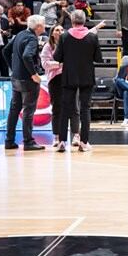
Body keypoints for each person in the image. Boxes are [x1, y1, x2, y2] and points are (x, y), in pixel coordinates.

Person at [54, 10, 101, 152]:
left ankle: (62, 141)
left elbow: (57, 57)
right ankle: (84, 142)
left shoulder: (64, 36)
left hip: (69, 76)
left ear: (72, 21)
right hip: (87, 76)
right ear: (84, 20)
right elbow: (98, 58)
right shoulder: (92, 37)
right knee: (85, 109)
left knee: (65, 109)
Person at [5, 14, 45, 150]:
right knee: (28, 110)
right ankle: (28, 141)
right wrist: (33, 74)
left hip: (16, 78)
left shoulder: (20, 34)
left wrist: (14, 68)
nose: (44, 27)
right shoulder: (32, 38)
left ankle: (9, 140)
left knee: (14, 110)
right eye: (43, 25)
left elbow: (5, 51)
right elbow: (27, 55)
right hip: (27, 80)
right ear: (38, 26)